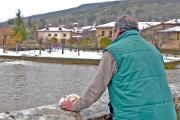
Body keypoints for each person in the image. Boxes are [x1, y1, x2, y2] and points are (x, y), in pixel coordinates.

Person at [61, 15, 177, 120]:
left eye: (111, 33)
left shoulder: (114, 51)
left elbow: (97, 88)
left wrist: (75, 105)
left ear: (117, 31)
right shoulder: (155, 52)